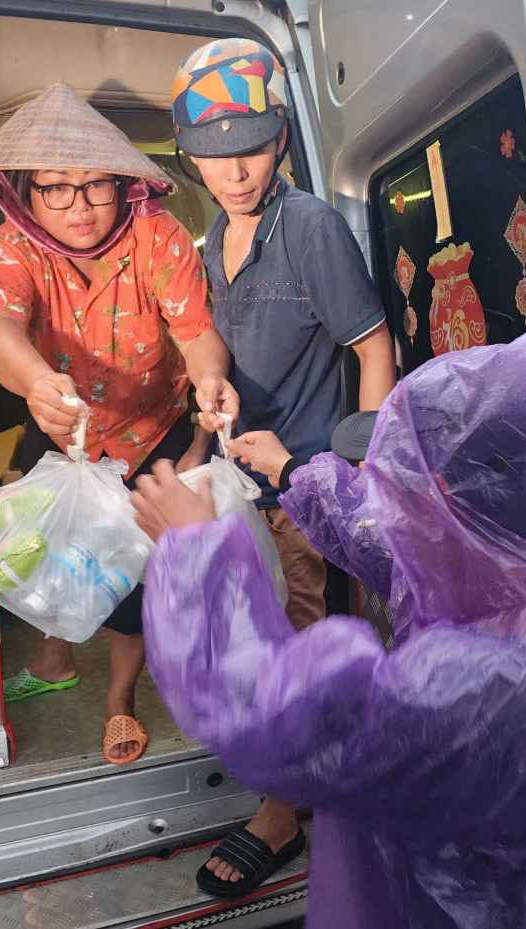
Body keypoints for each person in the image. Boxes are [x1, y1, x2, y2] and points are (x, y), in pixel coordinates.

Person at [132, 328, 526, 928]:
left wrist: (195, 558)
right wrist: (291, 470)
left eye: (389, 480)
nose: (379, 503)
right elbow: (392, 546)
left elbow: (277, 719)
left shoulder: (470, 688)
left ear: (440, 502)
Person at [0, 82, 237, 766]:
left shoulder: (158, 238)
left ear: (123, 185)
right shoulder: (10, 250)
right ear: (25, 192)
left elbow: (196, 332)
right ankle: (55, 658)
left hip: (155, 425)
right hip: (63, 424)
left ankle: (119, 699)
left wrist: (209, 379)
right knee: (50, 551)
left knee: (130, 576)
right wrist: (37, 382)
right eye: (55, 188)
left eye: (95, 185)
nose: (78, 206)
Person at [168, 36, 396, 896]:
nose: (235, 173)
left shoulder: (309, 227)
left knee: (308, 646)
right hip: (246, 482)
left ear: (282, 141)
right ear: (189, 156)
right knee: (259, 641)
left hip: (307, 486)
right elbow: (222, 354)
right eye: (214, 154)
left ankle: (286, 814)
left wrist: (352, 476)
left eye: (253, 149)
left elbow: (374, 348)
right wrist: (212, 400)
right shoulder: (212, 239)